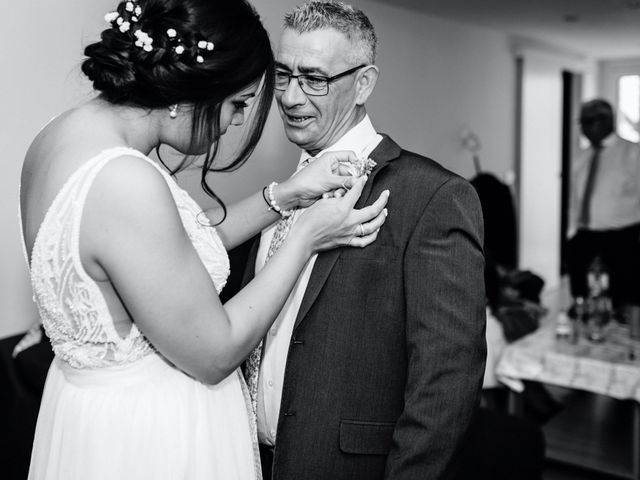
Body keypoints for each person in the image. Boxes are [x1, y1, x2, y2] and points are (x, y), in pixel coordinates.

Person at [19, 0, 389, 478]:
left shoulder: (63, 137)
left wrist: (284, 195)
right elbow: (215, 352)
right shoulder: (125, 181)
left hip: (90, 412)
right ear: (195, 90)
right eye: (237, 103)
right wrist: (307, 237)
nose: (236, 121)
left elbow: (161, 256)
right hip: (148, 437)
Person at [240, 2, 487, 479]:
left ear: (364, 83)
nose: (290, 97)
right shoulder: (277, 197)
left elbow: (446, 380)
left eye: (314, 78)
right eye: (283, 74)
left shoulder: (431, 196)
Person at [566, 98, 640, 315]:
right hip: (586, 234)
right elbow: (575, 199)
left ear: (608, 120)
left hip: (623, 236)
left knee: (622, 295)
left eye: (591, 121)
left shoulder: (633, 153)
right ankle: (586, 327)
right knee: (581, 291)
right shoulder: (582, 157)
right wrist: (572, 232)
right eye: (583, 122)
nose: (586, 128)